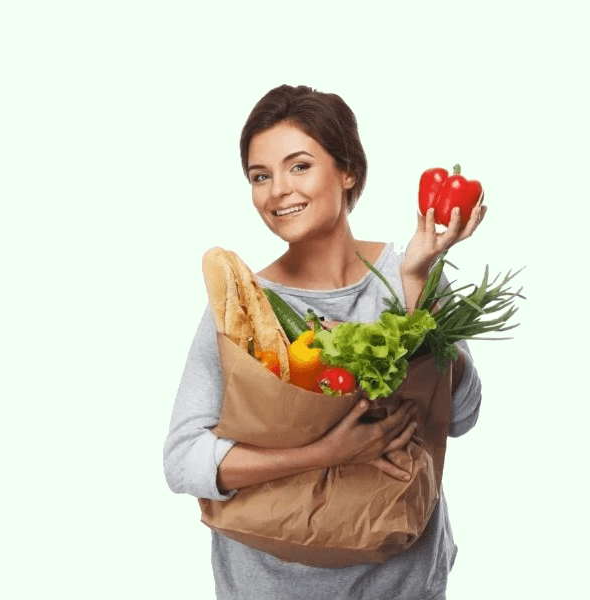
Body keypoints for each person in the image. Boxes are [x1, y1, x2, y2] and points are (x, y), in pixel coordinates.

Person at [164, 84, 486, 600]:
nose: (277, 192)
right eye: (259, 176)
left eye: (299, 166)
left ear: (348, 170)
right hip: (269, 585)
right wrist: (324, 452)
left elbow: (462, 416)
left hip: (403, 582)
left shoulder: (407, 270)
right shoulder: (244, 305)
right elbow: (183, 461)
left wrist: (420, 284)